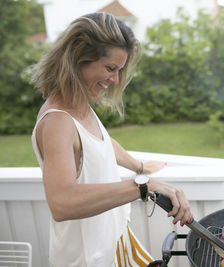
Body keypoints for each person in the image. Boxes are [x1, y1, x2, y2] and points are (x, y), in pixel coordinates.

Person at [30, 13, 193, 267]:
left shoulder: (79, 105)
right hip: (85, 259)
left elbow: (101, 143)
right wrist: (143, 184)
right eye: (110, 68)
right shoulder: (57, 122)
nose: (115, 79)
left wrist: (139, 166)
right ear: (78, 60)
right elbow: (61, 203)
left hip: (111, 246)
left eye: (119, 70)